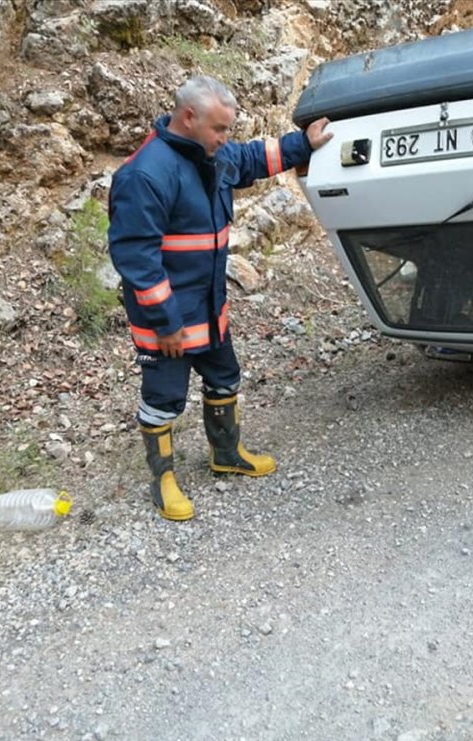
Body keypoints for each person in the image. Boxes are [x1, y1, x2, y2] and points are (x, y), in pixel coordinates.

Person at [108, 75, 332, 522]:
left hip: (210, 308)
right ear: (188, 117)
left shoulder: (210, 154)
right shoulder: (145, 173)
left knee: (225, 378)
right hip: (169, 319)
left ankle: (226, 454)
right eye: (220, 129)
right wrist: (166, 322)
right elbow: (137, 258)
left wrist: (303, 144)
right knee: (163, 398)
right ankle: (163, 480)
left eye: (228, 129)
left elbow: (252, 158)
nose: (226, 138)